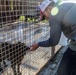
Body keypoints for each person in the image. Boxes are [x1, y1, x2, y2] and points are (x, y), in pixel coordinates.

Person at [30, 0, 76, 75]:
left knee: (63, 71)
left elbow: (53, 41)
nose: (47, 19)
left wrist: (38, 44)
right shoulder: (64, 5)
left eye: (44, 15)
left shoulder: (54, 14)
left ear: (48, 8)